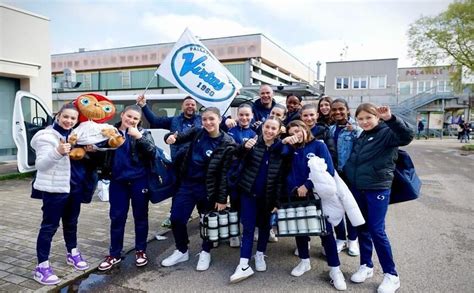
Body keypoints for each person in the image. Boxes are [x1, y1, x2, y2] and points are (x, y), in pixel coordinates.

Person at [344, 103, 414, 293]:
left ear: (377, 117)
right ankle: (366, 265)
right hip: (358, 188)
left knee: (377, 230)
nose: (365, 121)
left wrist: (391, 118)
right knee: (362, 228)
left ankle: (391, 275)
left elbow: (406, 136)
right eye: (361, 118)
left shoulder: (387, 132)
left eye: (369, 117)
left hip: (377, 188)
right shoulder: (362, 135)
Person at [160, 107, 236, 271]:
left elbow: (225, 174)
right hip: (187, 184)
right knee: (177, 219)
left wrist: (222, 198)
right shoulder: (197, 132)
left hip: (209, 189)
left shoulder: (228, 143)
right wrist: (170, 137)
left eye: (211, 119)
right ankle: (182, 250)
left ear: (219, 120)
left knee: (207, 222)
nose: (208, 122)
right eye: (205, 119)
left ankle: (205, 252)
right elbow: (177, 137)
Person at [281, 120, 347, 291]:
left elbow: (329, 170)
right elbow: (282, 166)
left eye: (299, 130)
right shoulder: (290, 148)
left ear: (306, 129)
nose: (296, 134)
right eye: (291, 132)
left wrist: (308, 185)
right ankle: (304, 262)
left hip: (317, 195)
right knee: (301, 230)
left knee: (326, 232)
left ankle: (335, 270)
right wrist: (285, 142)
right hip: (295, 195)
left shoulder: (318, 145)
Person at [32, 103, 88, 285]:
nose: (68, 121)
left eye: (73, 118)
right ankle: (42, 266)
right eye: (66, 117)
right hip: (54, 190)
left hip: (74, 188)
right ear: (58, 116)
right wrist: (57, 151)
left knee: (71, 223)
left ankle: (72, 253)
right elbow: (40, 165)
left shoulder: (75, 135)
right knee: (49, 226)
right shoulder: (46, 136)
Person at [98, 105, 156, 271]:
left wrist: (139, 137)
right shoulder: (109, 132)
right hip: (118, 182)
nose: (131, 120)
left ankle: (140, 251)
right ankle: (114, 254)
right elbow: (100, 153)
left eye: (135, 118)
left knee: (141, 217)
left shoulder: (144, 133)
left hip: (139, 181)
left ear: (139, 121)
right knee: (117, 218)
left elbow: (152, 153)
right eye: (129, 116)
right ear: (122, 115)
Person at [229, 116, 285, 283]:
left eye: (273, 128)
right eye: (267, 127)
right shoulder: (253, 144)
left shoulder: (281, 150)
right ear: (262, 127)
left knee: (265, 227)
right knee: (248, 228)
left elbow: (281, 179)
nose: (269, 131)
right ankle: (244, 264)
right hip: (248, 194)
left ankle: (260, 254)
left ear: (278, 131)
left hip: (268, 198)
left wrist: (277, 201)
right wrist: (244, 147)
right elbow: (235, 156)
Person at [137, 95, 201, 229]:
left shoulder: (202, 120)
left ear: (196, 107)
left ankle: (203, 215)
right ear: (182, 107)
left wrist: (229, 120)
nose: (190, 106)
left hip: (198, 163)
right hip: (178, 162)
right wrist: (144, 106)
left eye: (192, 104)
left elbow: (219, 123)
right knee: (177, 189)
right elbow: (155, 121)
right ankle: (174, 215)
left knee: (200, 190)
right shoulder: (174, 120)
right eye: (187, 104)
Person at [329, 98, 362, 256]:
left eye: (341, 109)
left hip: (351, 174)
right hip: (335, 175)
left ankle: (353, 240)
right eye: (334, 110)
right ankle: (340, 238)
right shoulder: (330, 130)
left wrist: (356, 129)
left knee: (350, 207)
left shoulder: (356, 128)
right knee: (336, 207)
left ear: (347, 110)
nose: (337, 112)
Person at [223, 103, 257, 248]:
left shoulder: (255, 133)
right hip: (233, 175)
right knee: (235, 204)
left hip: (248, 176)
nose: (244, 118)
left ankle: (252, 229)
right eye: (241, 115)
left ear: (252, 116)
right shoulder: (230, 130)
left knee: (248, 205)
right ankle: (234, 233)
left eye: (247, 115)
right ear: (237, 116)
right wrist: (225, 120)